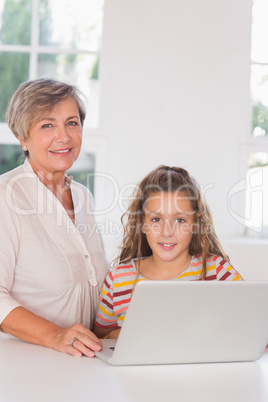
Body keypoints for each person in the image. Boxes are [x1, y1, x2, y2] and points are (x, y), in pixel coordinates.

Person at [0, 78, 109, 357]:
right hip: (27, 365)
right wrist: (55, 336)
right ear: (22, 137)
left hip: (83, 362)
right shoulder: (6, 196)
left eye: (72, 123)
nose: (64, 136)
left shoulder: (83, 196)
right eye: (47, 125)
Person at [93, 165, 243, 339]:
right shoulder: (118, 279)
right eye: (156, 219)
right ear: (142, 223)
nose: (167, 232)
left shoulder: (216, 271)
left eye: (180, 220)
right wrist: (121, 335)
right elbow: (100, 342)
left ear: (195, 224)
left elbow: (254, 324)